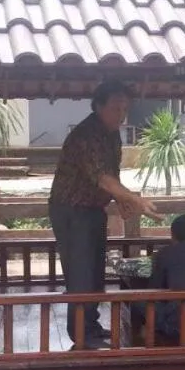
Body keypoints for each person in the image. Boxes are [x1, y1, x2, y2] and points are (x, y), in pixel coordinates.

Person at [49, 82, 158, 349]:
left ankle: (91, 326)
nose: (121, 114)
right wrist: (133, 198)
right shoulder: (87, 135)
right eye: (115, 108)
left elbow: (112, 175)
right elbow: (102, 177)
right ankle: (81, 334)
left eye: (124, 109)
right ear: (98, 106)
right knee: (81, 274)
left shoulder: (112, 134)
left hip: (93, 210)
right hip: (72, 211)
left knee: (95, 272)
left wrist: (121, 199)